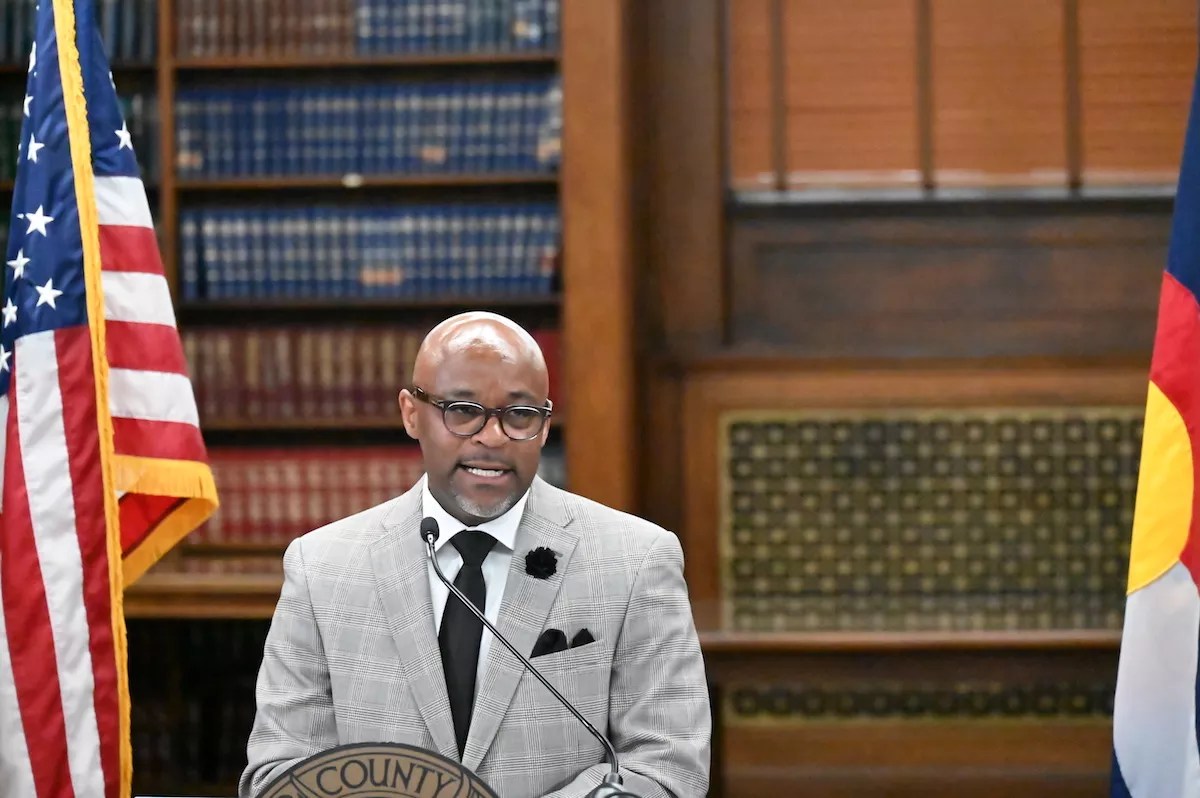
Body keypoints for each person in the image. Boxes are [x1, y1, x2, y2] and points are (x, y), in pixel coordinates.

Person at [239, 311, 711, 798]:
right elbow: (278, 772)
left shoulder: (636, 560)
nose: (492, 437)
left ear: (545, 426)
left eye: (520, 415)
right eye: (463, 410)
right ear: (410, 413)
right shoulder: (322, 568)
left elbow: (667, 768)